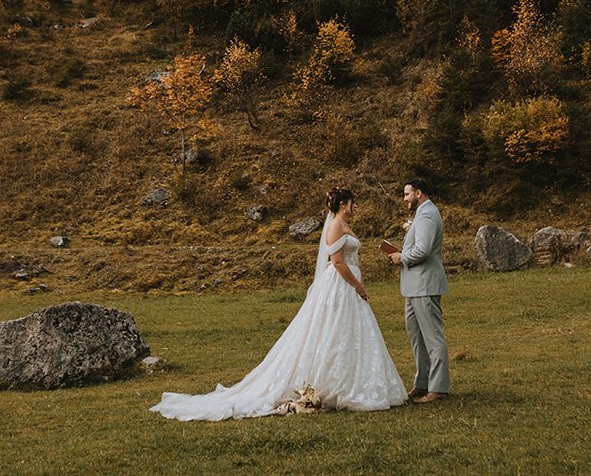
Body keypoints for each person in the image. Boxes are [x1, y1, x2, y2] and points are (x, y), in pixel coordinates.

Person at [151, 188, 407, 420]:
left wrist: (359, 283)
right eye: (353, 203)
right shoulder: (335, 227)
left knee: (351, 333)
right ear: (343, 204)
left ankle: (351, 381)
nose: (355, 207)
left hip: (349, 285)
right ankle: (330, 384)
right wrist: (358, 286)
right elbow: (338, 262)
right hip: (340, 286)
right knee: (333, 330)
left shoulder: (344, 225)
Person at [387, 178, 449, 402]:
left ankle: (439, 388)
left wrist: (401, 257)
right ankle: (422, 383)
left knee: (432, 337)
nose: (405, 199)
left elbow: (423, 250)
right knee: (416, 336)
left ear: (419, 193)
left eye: (407, 194)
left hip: (425, 284)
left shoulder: (427, 215)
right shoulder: (422, 214)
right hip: (413, 287)